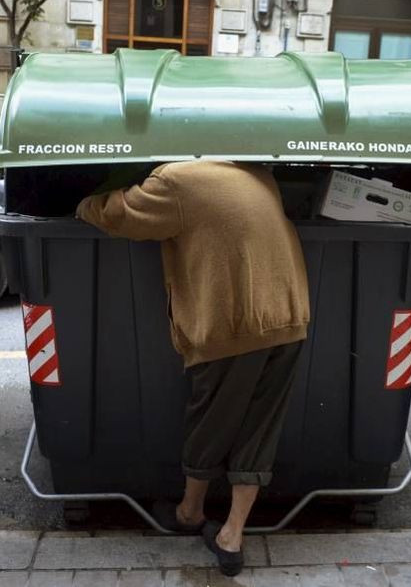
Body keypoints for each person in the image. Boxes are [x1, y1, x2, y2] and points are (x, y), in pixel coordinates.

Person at [76, 160, 310, 577]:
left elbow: (120, 214)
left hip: (233, 323)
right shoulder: (259, 174)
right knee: (261, 428)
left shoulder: (175, 181)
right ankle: (232, 535)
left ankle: (190, 512)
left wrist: (81, 205)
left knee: (210, 421)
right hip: (288, 318)